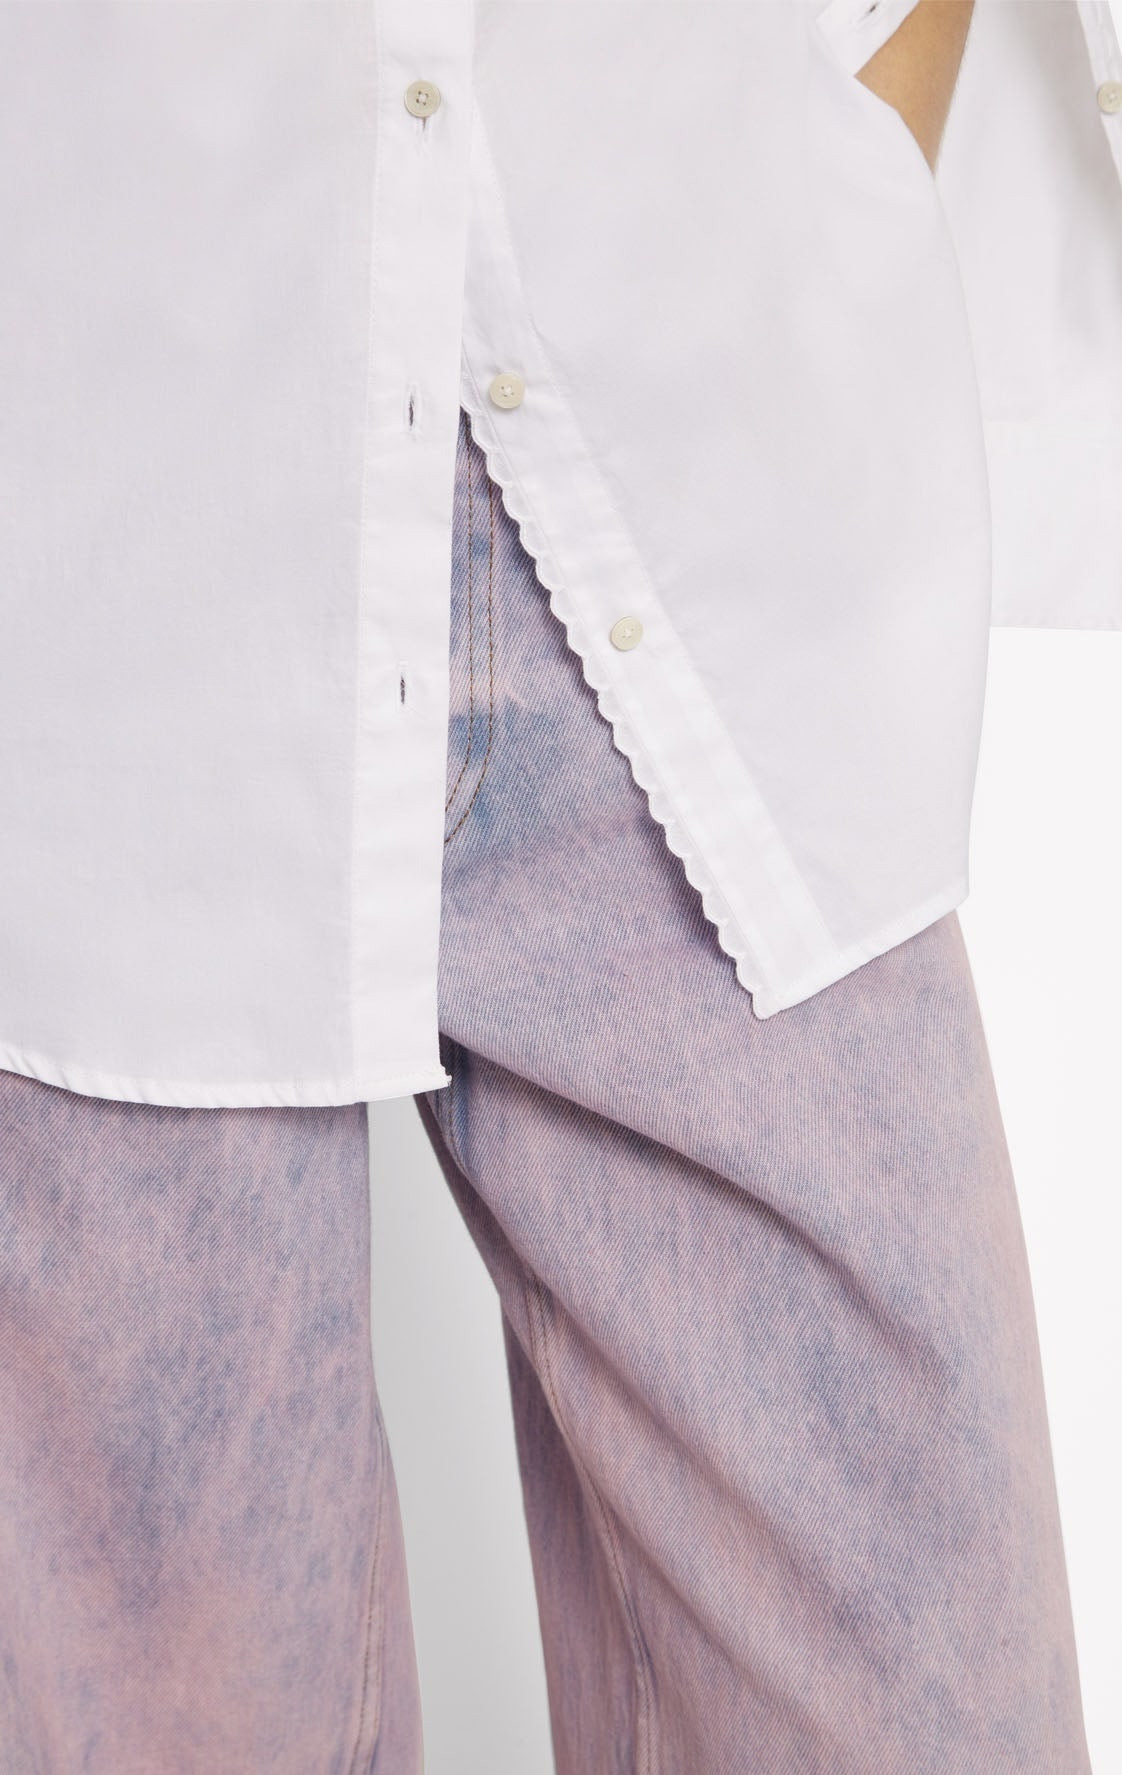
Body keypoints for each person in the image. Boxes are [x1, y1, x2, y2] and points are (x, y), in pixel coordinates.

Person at [0, 1, 1115, 1768]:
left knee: (923, 1701)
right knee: (165, 1710)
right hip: (109, 500)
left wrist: (866, 87)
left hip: (689, 479)